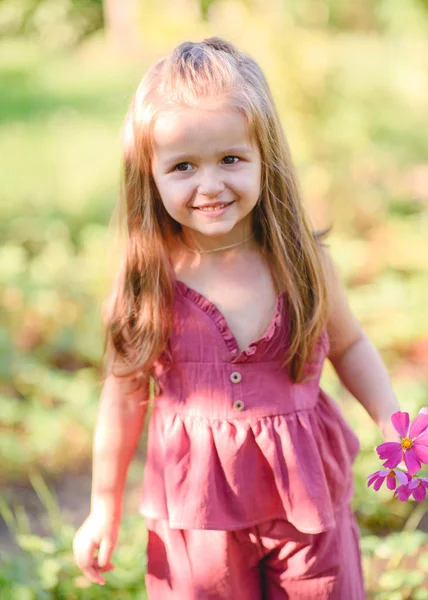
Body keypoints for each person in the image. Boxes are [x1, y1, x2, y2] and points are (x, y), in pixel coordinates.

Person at [72, 37, 402, 599]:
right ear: (149, 175)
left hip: (305, 502)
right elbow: (124, 391)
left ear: (262, 157)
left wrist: (395, 424)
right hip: (196, 509)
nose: (210, 185)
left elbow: (348, 346)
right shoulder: (151, 278)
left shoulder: (302, 262)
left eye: (230, 159)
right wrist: (104, 504)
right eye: (182, 166)